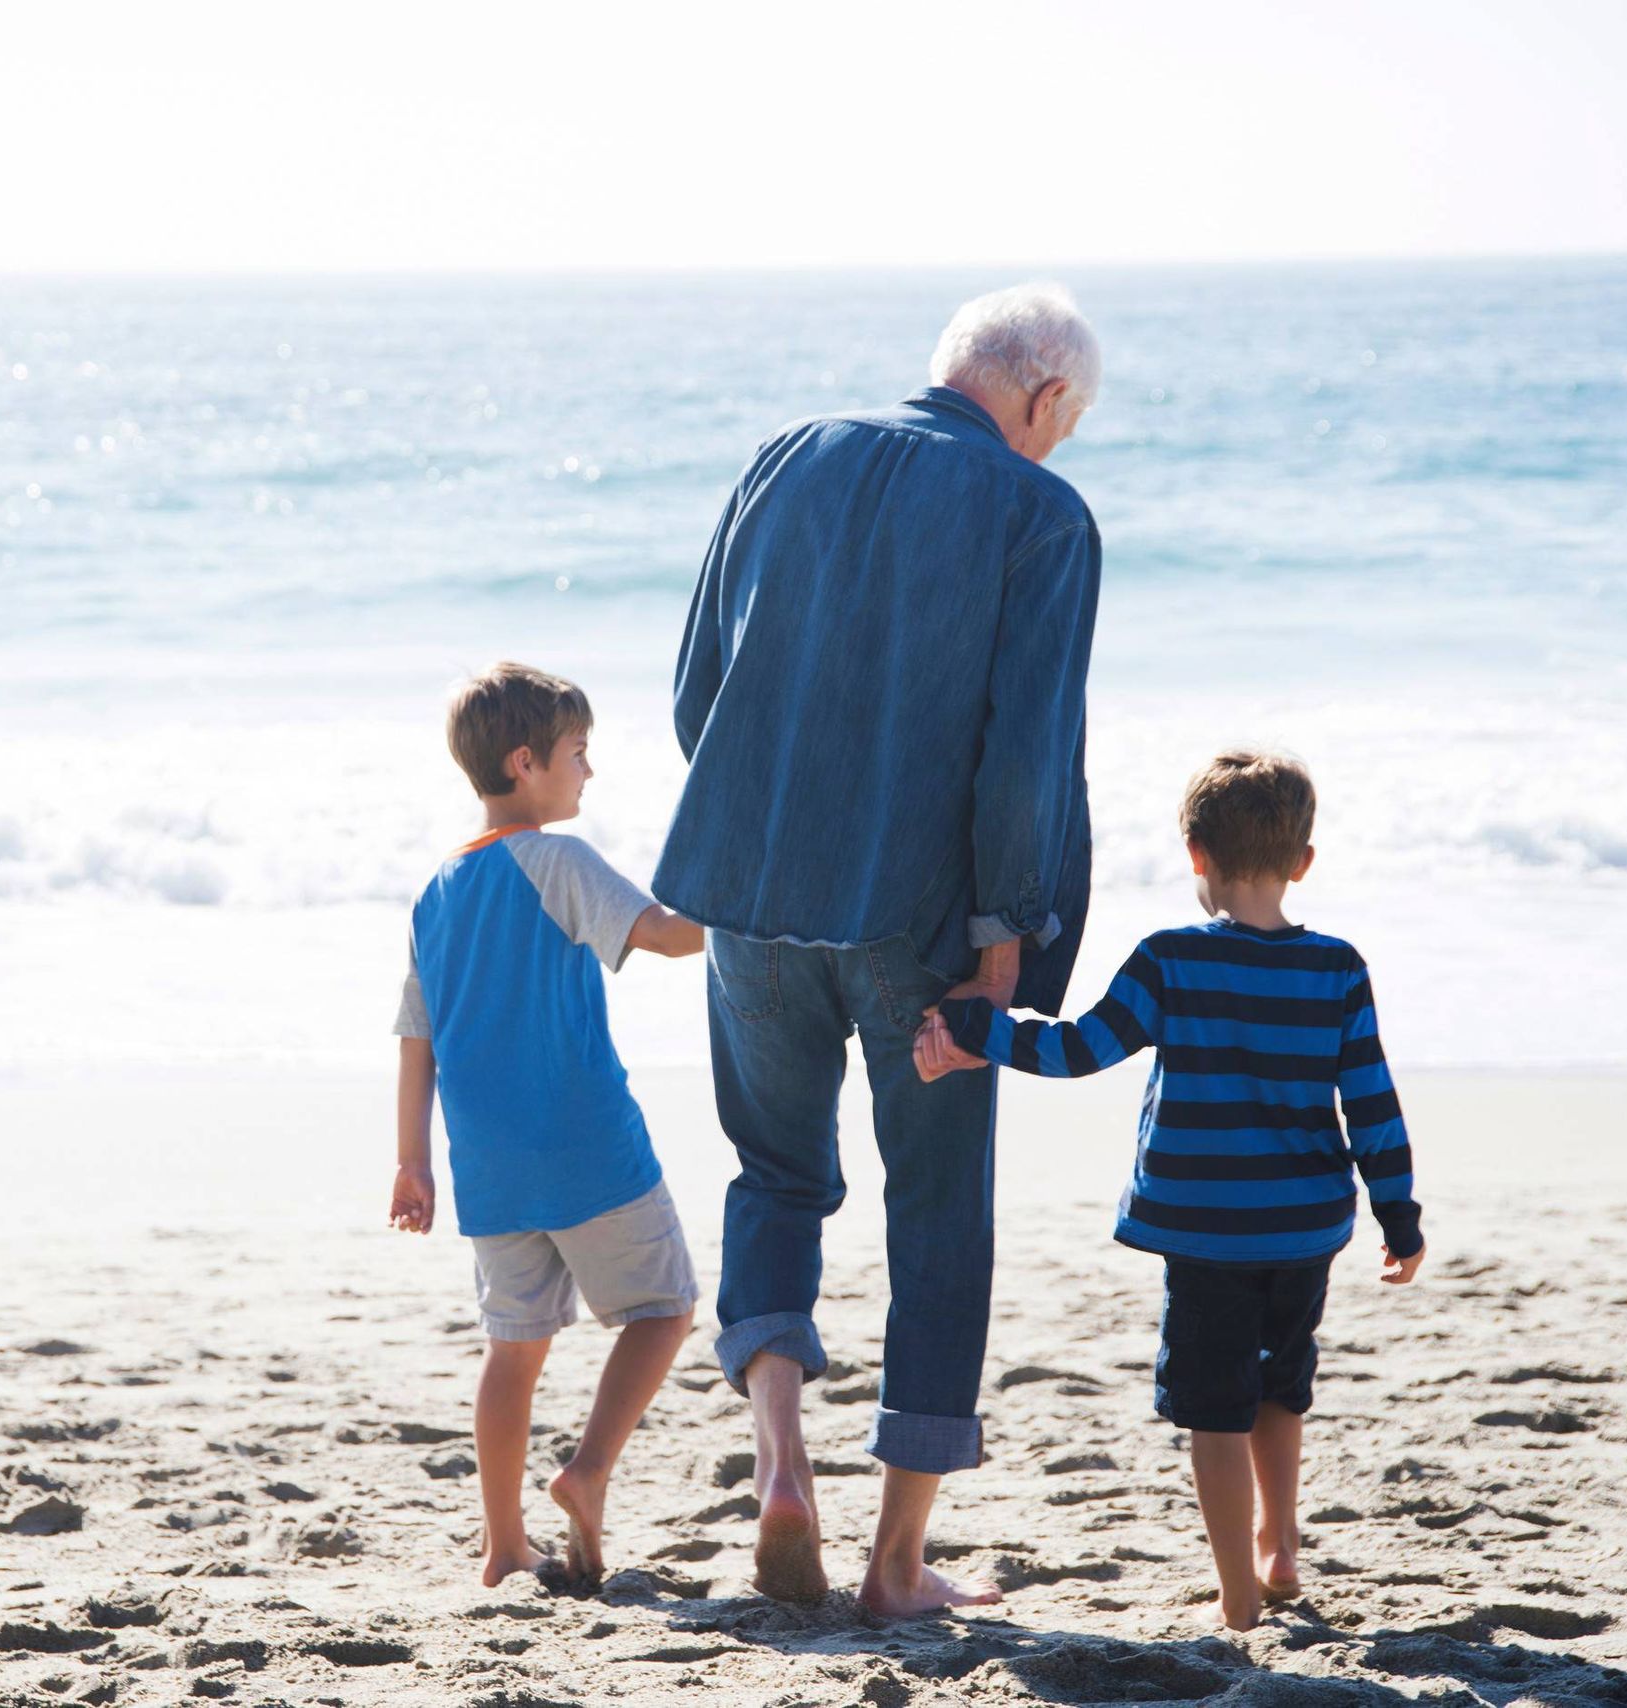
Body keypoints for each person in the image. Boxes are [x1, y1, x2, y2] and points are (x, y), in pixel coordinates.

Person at [654, 281, 1105, 1616]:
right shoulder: (1043, 515)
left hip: (750, 891)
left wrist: (766, 832)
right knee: (938, 1212)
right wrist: (1006, 942)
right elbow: (1025, 758)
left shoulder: (786, 455)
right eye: (1064, 426)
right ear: (1042, 399)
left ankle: (781, 1463)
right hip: (928, 921)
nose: (1059, 445)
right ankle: (896, 1562)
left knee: (777, 1177)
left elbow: (698, 690)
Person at [916, 749, 1426, 1629]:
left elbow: (1078, 1049)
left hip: (1206, 1229)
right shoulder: (1337, 968)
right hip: (1305, 1227)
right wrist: (1399, 1213)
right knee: (1281, 1383)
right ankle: (1282, 1547)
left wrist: (976, 1027)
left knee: (1213, 1411)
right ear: (1303, 861)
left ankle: (1237, 1591)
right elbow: (1371, 1099)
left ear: (1195, 854)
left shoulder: (1169, 961)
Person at [390, 662, 707, 1589]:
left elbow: (417, 1040)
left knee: (512, 1353)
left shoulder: (435, 891)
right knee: (664, 1309)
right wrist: (752, 909)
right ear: (525, 764)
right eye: (578, 755)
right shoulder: (557, 861)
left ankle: (501, 1544)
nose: (589, 773)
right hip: (588, 1145)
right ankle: (589, 1469)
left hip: (487, 1169)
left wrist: (412, 1162)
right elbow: (667, 934)